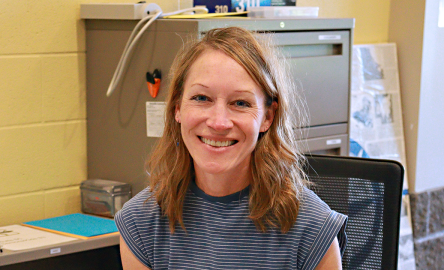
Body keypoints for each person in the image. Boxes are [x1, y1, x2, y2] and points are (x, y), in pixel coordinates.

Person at [114, 26, 347, 270]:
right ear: (177, 108)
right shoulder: (141, 222)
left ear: (267, 117)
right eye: (201, 98)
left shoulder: (311, 226)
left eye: (240, 103)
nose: (219, 122)